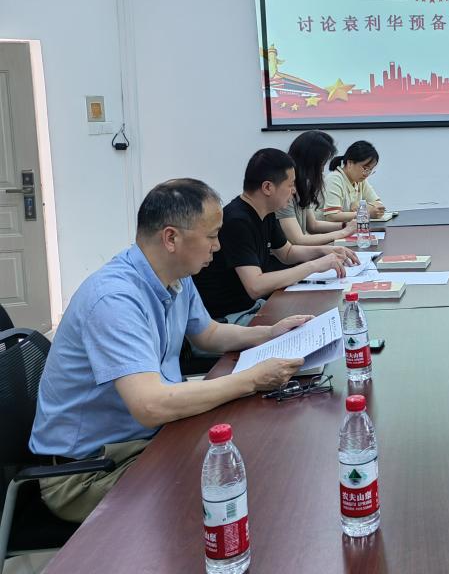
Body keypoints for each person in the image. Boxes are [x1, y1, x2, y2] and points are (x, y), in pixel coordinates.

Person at [29, 179, 312, 522]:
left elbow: (207, 333)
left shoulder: (177, 276)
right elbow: (150, 405)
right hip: (88, 472)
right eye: (211, 236)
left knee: (250, 450)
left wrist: (268, 333)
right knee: (228, 480)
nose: (218, 246)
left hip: (143, 443)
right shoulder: (114, 300)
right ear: (171, 238)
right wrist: (252, 380)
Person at [194, 148, 357, 324]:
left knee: (322, 312)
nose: (294, 191)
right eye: (290, 185)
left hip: (253, 307)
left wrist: (325, 251)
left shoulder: (267, 212)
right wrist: (315, 265)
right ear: (267, 187)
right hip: (228, 318)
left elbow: (287, 252)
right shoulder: (237, 221)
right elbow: (255, 286)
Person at [277, 130, 357, 245]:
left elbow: (313, 225)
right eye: (321, 164)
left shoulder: (302, 185)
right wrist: (344, 232)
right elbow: (298, 240)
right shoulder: (284, 191)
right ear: (309, 163)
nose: (322, 170)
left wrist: (345, 225)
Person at [323, 140, 387, 222]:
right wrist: (365, 213)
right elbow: (332, 216)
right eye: (365, 168)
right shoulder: (335, 179)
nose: (366, 174)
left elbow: (378, 204)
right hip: (326, 229)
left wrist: (360, 205)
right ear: (350, 163)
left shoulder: (360, 181)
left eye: (370, 170)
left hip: (348, 228)